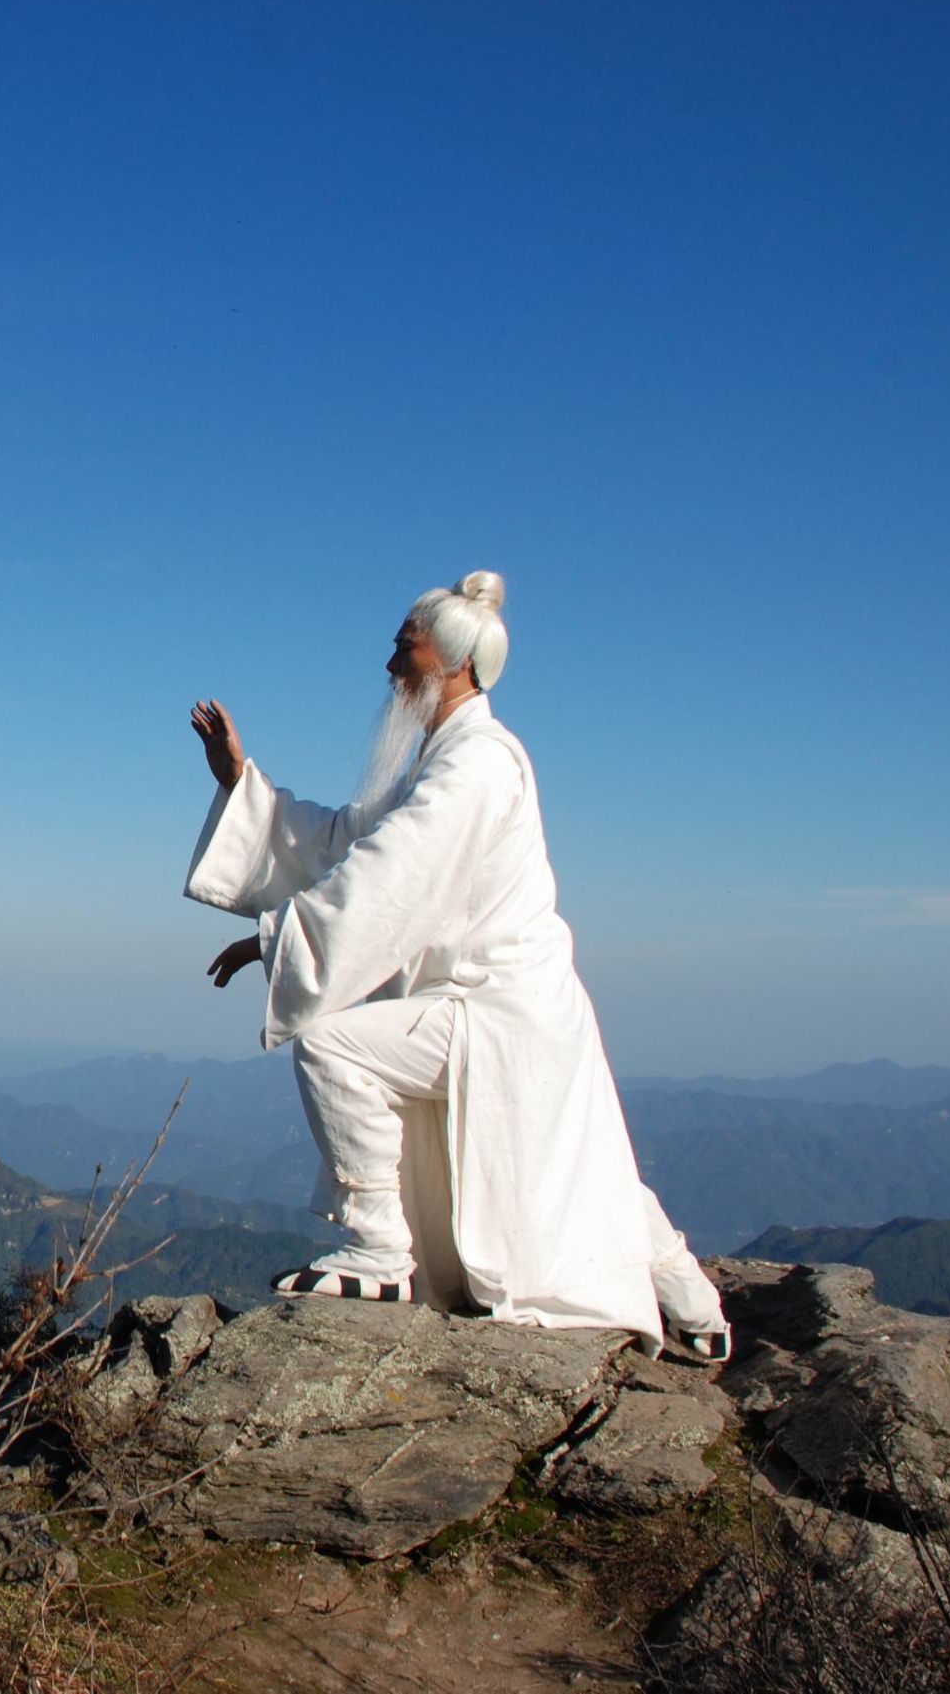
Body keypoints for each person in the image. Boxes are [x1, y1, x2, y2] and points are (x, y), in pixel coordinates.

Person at [184, 571, 729, 1359]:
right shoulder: (442, 763)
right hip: (521, 1010)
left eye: (405, 647)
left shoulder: (475, 766)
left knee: (333, 1046)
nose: (390, 665)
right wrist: (241, 779)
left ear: (456, 663)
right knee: (585, 1162)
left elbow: (391, 877)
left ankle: (379, 1251)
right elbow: (345, 841)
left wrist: (275, 939)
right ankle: (700, 1311)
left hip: (497, 1010)